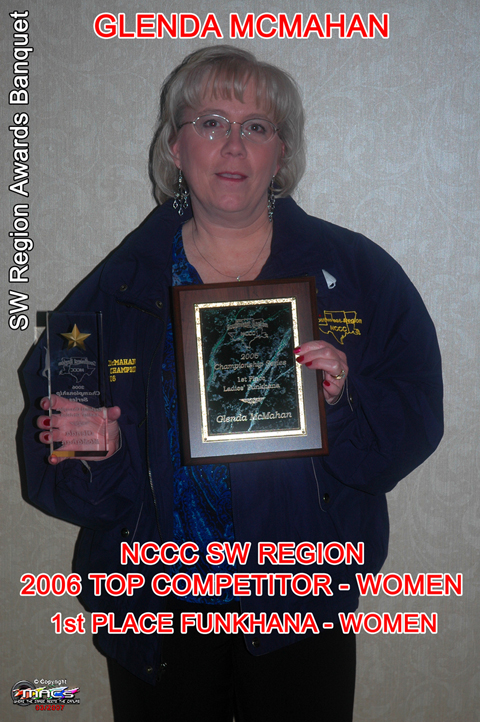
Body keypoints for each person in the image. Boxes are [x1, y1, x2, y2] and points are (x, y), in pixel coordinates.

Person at [21, 46, 443, 722]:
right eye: (211, 121)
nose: (233, 144)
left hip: (303, 601)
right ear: (175, 146)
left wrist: (344, 401)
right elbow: (57, 454)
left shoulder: (358, 275)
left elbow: (414, 417)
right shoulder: (120, 286)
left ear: (282, 151)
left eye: (257, 126)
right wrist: (94, 450)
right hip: (155, 605)